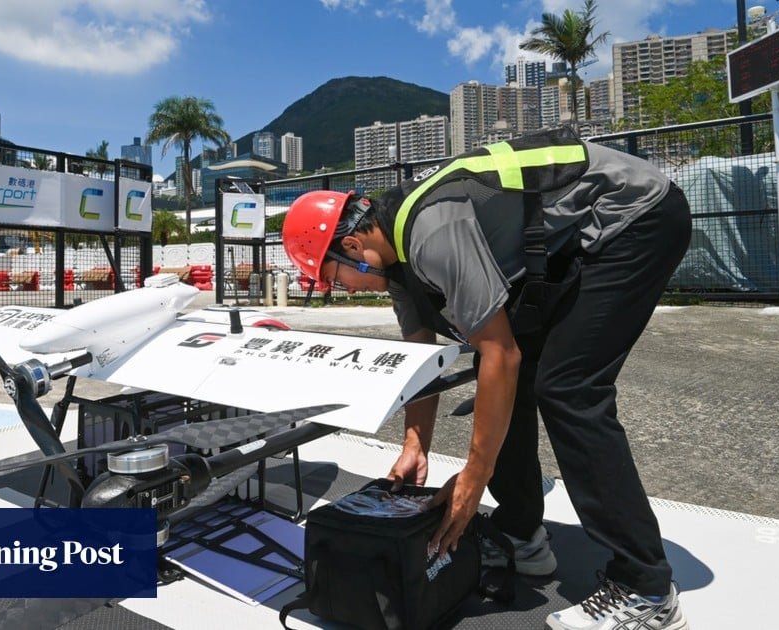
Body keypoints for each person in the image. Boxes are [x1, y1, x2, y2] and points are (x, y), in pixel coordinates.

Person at [281, 126, 691, 630]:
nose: (340, 290)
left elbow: (502, 352)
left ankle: (646, 588)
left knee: (568, 388)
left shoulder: (430, 233)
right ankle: (522, 534)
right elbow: (423, 357)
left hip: (635, 215)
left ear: (351, 245)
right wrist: (415, 445)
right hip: (579, 239)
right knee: (499, 380)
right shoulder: (397, 260)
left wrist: (474, 478)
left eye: (331, 279)